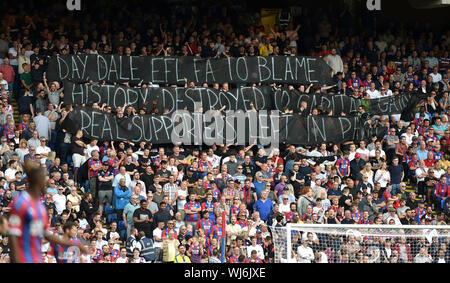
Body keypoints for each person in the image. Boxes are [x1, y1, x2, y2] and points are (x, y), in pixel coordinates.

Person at [8, 160, 87, 262]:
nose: (46, 182)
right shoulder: (20, 202)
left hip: (36, 258)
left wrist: (74, 245)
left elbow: (47, 234)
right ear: (36, 180)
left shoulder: (40, 205)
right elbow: (13, 234)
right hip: (23, 259)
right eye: (43, 179)